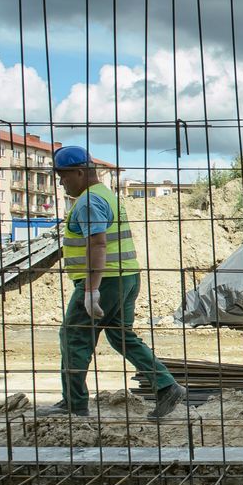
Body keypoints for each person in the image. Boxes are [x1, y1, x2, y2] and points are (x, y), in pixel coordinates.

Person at [36, 145, 188, 422]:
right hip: (126, 276)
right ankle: (166, 386)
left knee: (74, 337)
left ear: (80, 172)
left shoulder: (88, 201)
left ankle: (74, 403)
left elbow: (98, 243)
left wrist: (92, 289)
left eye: (63, 176)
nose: (60, 182)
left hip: (104, 279)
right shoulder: (106, 195)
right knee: (121, 335)